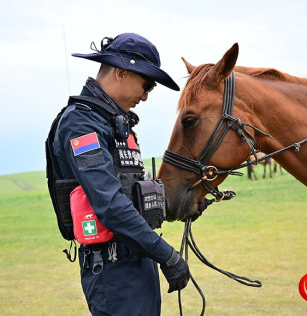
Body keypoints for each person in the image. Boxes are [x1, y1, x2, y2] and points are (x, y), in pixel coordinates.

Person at [47, 33, 190, 315]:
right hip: (113, 271)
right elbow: (110, 204)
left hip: (137, 259)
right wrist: (167, 256)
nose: (146, 96)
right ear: (121, 73)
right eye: (146, 84)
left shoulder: (114, 124)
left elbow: (131, 193)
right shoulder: (81, 124)